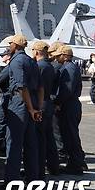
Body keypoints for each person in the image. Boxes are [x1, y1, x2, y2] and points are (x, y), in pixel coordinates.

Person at [0, 34, 42, 190]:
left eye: (11, 44)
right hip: (33, 103)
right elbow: (41, 88)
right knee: (31, 145)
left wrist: (29, 108)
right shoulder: (31, 61)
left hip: (20, 104)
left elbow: (21, 87)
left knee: (13, 145)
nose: (9, 46)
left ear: (16, 45)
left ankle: (12, 185)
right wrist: (37, 109)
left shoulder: (16, 61)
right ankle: (33, 181)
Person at [54, 45, 86, 174]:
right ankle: (74, 162)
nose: (57, 57)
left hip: (69, 105)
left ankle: (76, 164)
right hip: (69, 104)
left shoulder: (69, 68)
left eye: (59, 55)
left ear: (66, 56)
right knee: (68, 135)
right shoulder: (67, 67)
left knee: (71, 135)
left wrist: (57, 101)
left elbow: (67, 90)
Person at [32, 40, 60, 178]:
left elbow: (37, 87)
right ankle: (54, 167)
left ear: (36, 52)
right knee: (49, 138)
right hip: (48, 103)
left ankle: (39, 170)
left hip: (41, 104)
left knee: (40, 139)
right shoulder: (49, 66)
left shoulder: (39, 66)